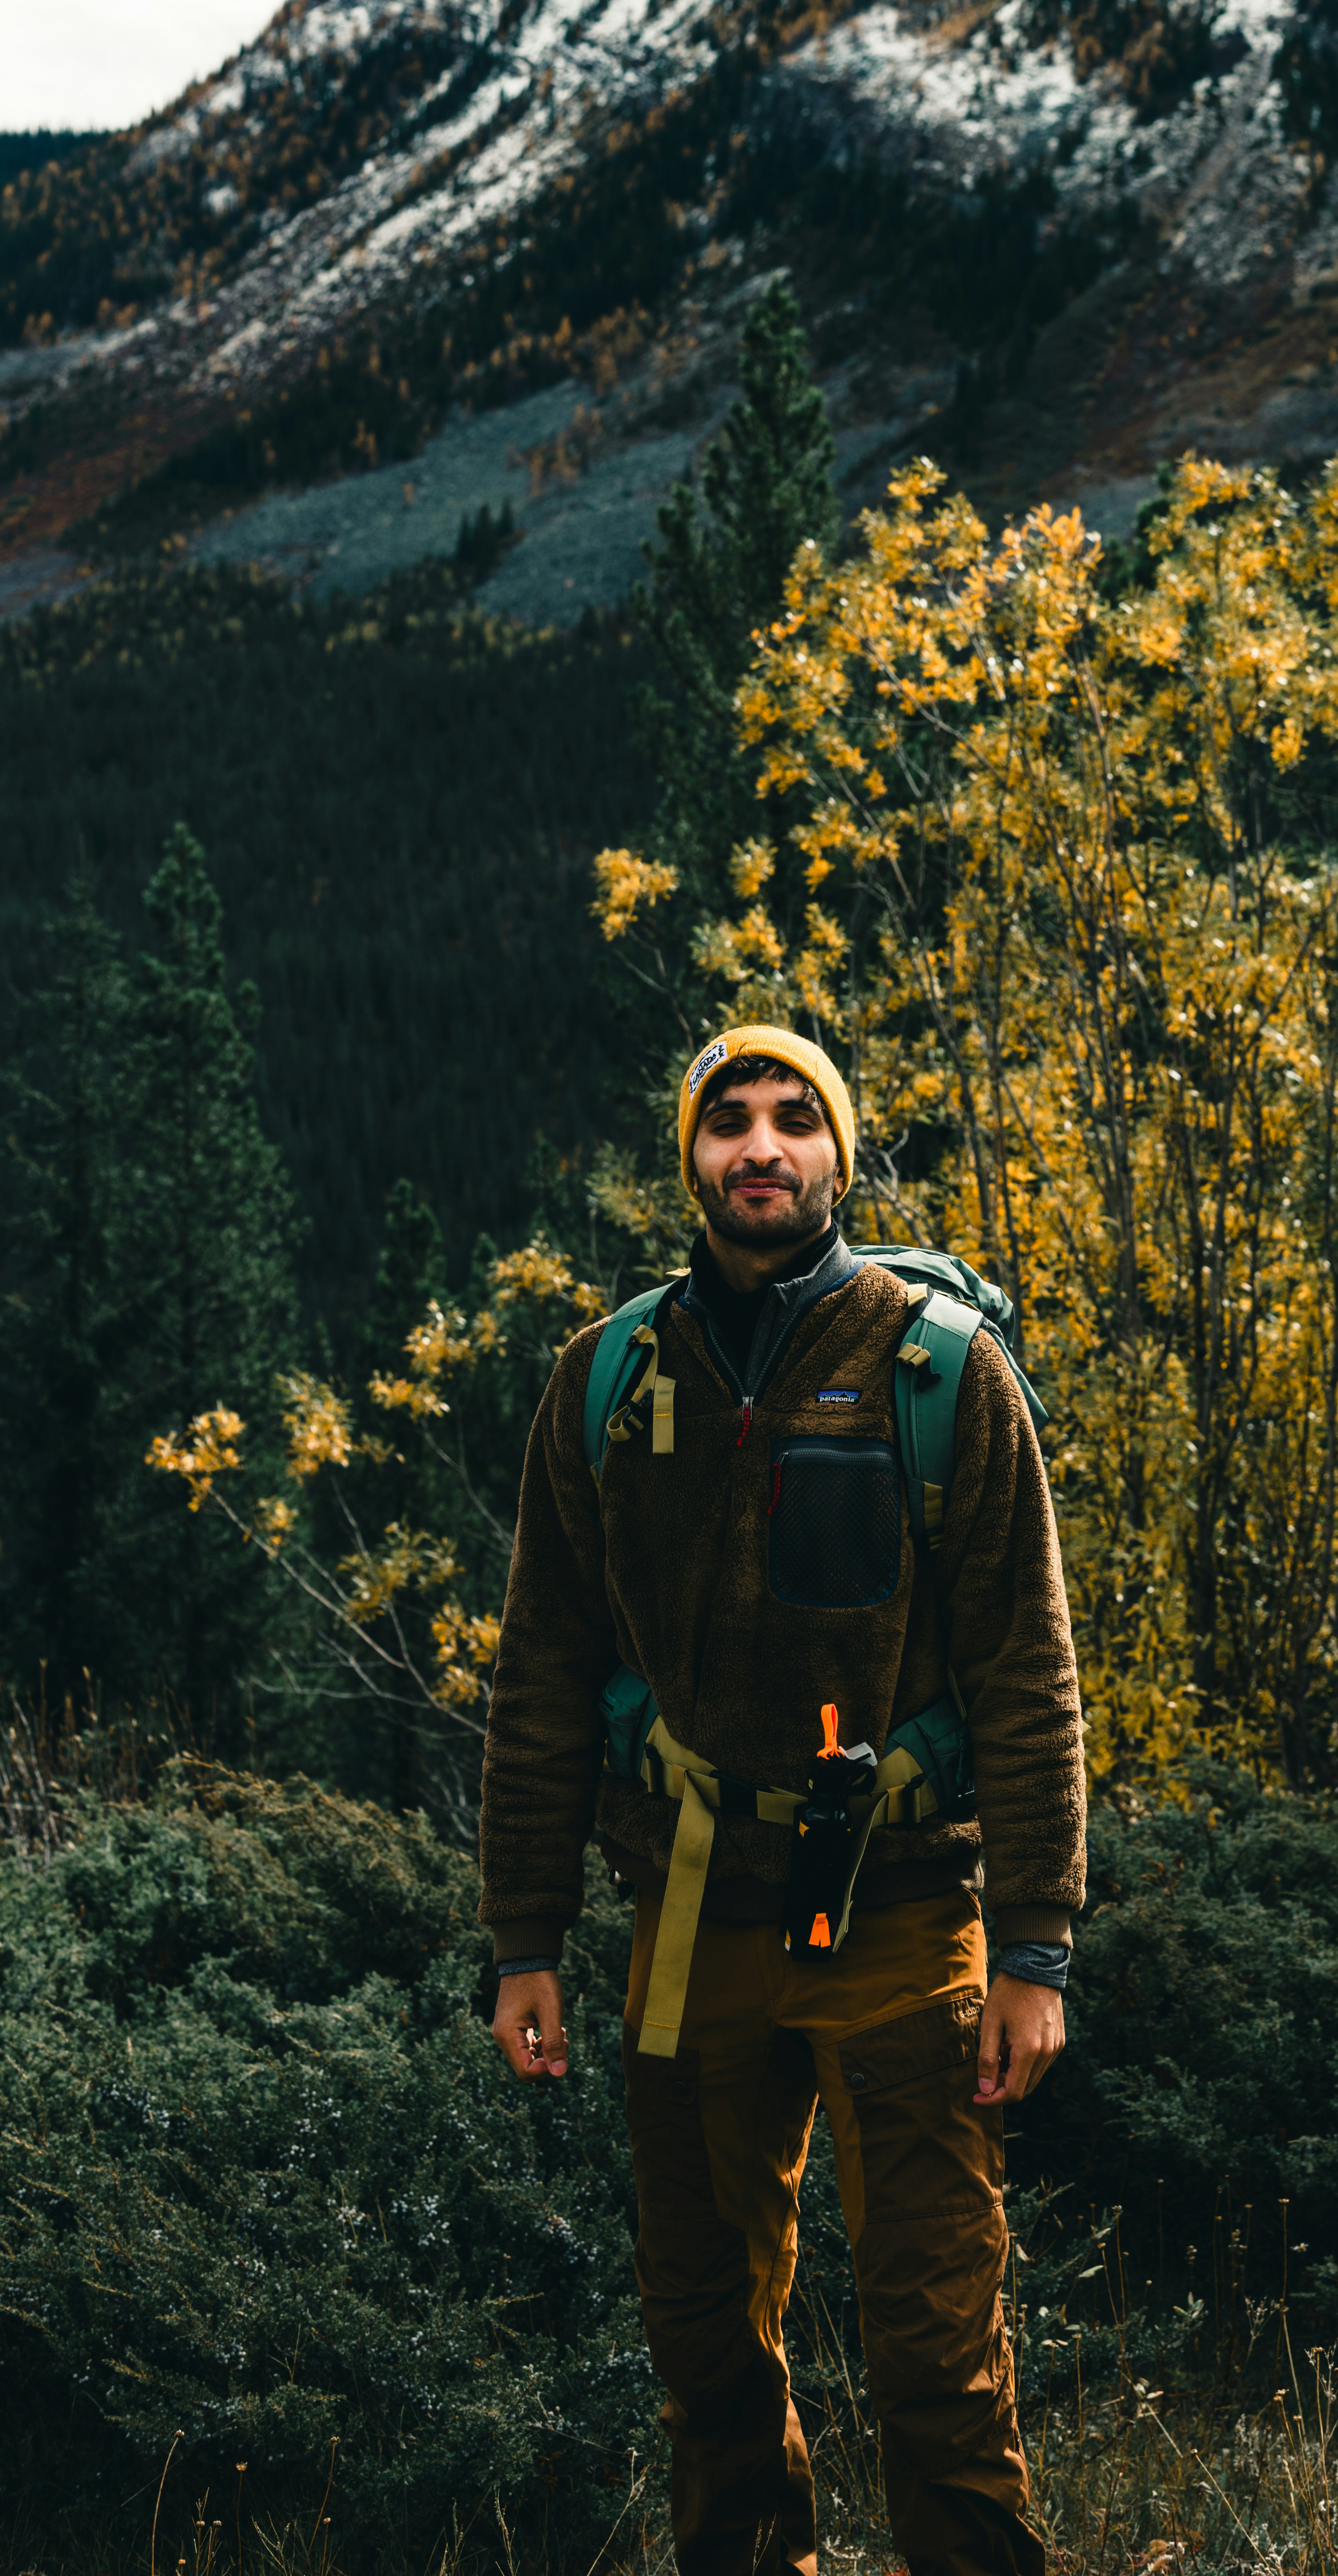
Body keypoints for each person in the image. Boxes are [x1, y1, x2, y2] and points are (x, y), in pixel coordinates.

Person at [478, 1022, 1085, 2576]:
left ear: (840, 1151)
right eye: (729, 1121)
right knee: (707, 2354)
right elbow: (543, 1668)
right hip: (687, 1927)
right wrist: (525, 1936)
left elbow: (1029, 1672)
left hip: (901, 1923)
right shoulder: (605, 1381)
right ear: (688, 1159)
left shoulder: (941, 1374)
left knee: (938, 2349)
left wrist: (1035, 1950)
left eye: (792, 1119)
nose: (760, 1146)